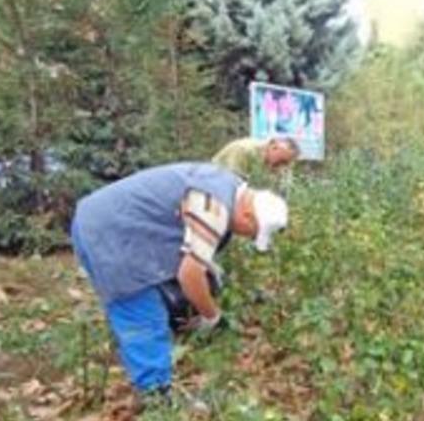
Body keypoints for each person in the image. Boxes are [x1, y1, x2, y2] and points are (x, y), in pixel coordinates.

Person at [70, 163, 288, 407]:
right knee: (141, 310)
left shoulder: (229, 185)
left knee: (184, 290)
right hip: (109, 230)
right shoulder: (214, 208)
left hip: (112, 220)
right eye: (252, 232)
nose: (247, 236)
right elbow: (190, 276)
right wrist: (213, 316)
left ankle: (150, 360)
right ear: (247, 215)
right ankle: (156, 397)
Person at [211, 137, 300, 179]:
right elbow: (232, 181)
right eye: (282, 161)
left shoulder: (281, 166)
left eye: (286, 163)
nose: (282, 167)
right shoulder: (244, 150)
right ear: (273, 148)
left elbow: (281, 195)